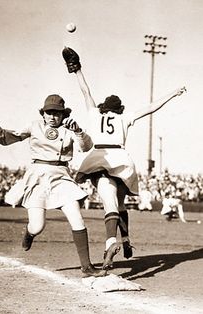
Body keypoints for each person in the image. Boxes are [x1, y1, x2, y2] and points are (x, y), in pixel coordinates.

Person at [62, 47, 186, 270]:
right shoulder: (124, 116)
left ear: (104, 108)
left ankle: (111, 241)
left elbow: (86, 92)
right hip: (123, 160)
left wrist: (76, 70)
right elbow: (150, 108)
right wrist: (173, 93)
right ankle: (126, 241)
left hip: (101, 156)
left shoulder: (94, 113)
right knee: (120, 203)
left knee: (109, 202)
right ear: (119, 109)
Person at [0, 94, 106, 278]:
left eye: (57, 113)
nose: (52, 116)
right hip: (37, 176)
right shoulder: (34, 126)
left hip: (61, 176)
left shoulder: (69, 128)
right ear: (43, 113)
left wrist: (79, 131)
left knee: (76, 217)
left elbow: (86, 146)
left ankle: (86, 267)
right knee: (38, 225)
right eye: (49, 112)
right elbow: (10, 138)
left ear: (63, 114)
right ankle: (29, 233)